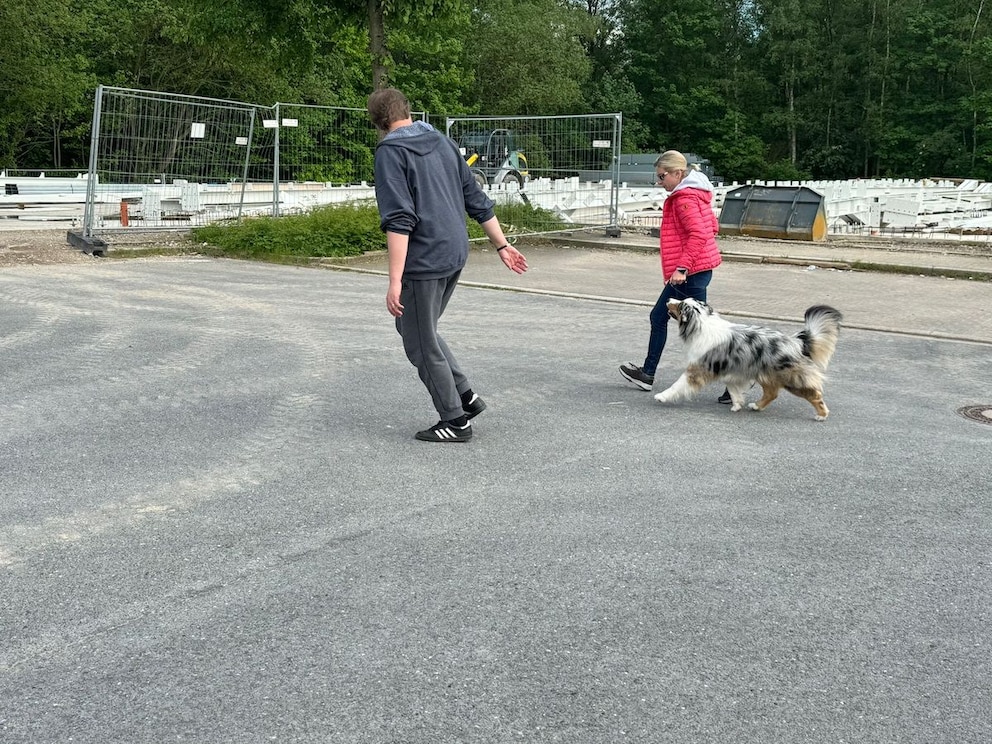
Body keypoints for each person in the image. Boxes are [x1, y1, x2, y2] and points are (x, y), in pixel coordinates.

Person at [368, 88, 529, 442]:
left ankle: (455, 420)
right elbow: (476, 198)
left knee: (419, 343)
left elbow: (398, 219)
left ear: (379, 123)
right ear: (407, 111)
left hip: (424, 259)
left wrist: (394, 280)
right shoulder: (440, 141)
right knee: (419, 330)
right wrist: (501, 244)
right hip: (454, 252)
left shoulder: (390, 152)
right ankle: (465, 397)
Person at [619, 150, 729, 402]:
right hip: (692, 271)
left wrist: (682, 267)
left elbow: (700, 234)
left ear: (678, 173)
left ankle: (741, 376)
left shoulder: (684, 199)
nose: (660, 182)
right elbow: (712, 226)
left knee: (703, 332)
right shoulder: (696, 193)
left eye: (662, 176)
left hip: (689, 273)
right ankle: (646, 374)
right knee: (660, 316)